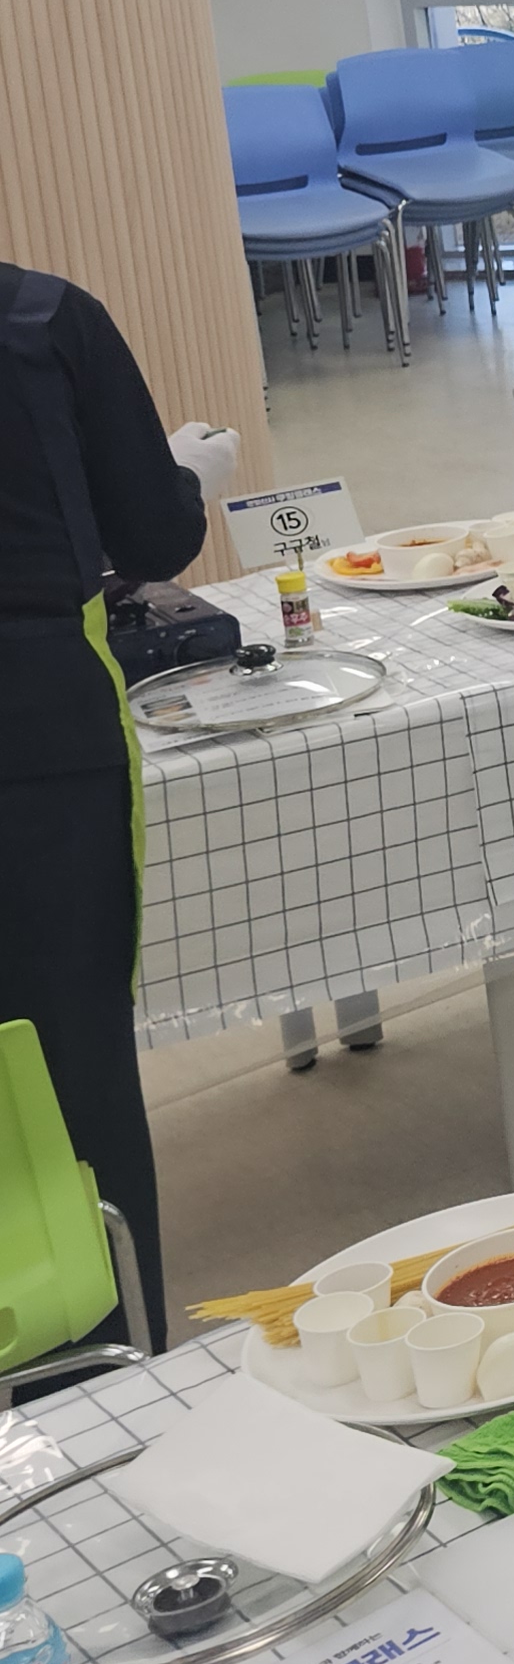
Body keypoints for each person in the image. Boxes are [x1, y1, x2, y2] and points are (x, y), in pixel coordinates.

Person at [0, 269, 236, 1333]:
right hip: (37, 734)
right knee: (67, 1056)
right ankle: (98, 1352)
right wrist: (185, 477)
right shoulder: (42, 319)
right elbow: (151, 537)